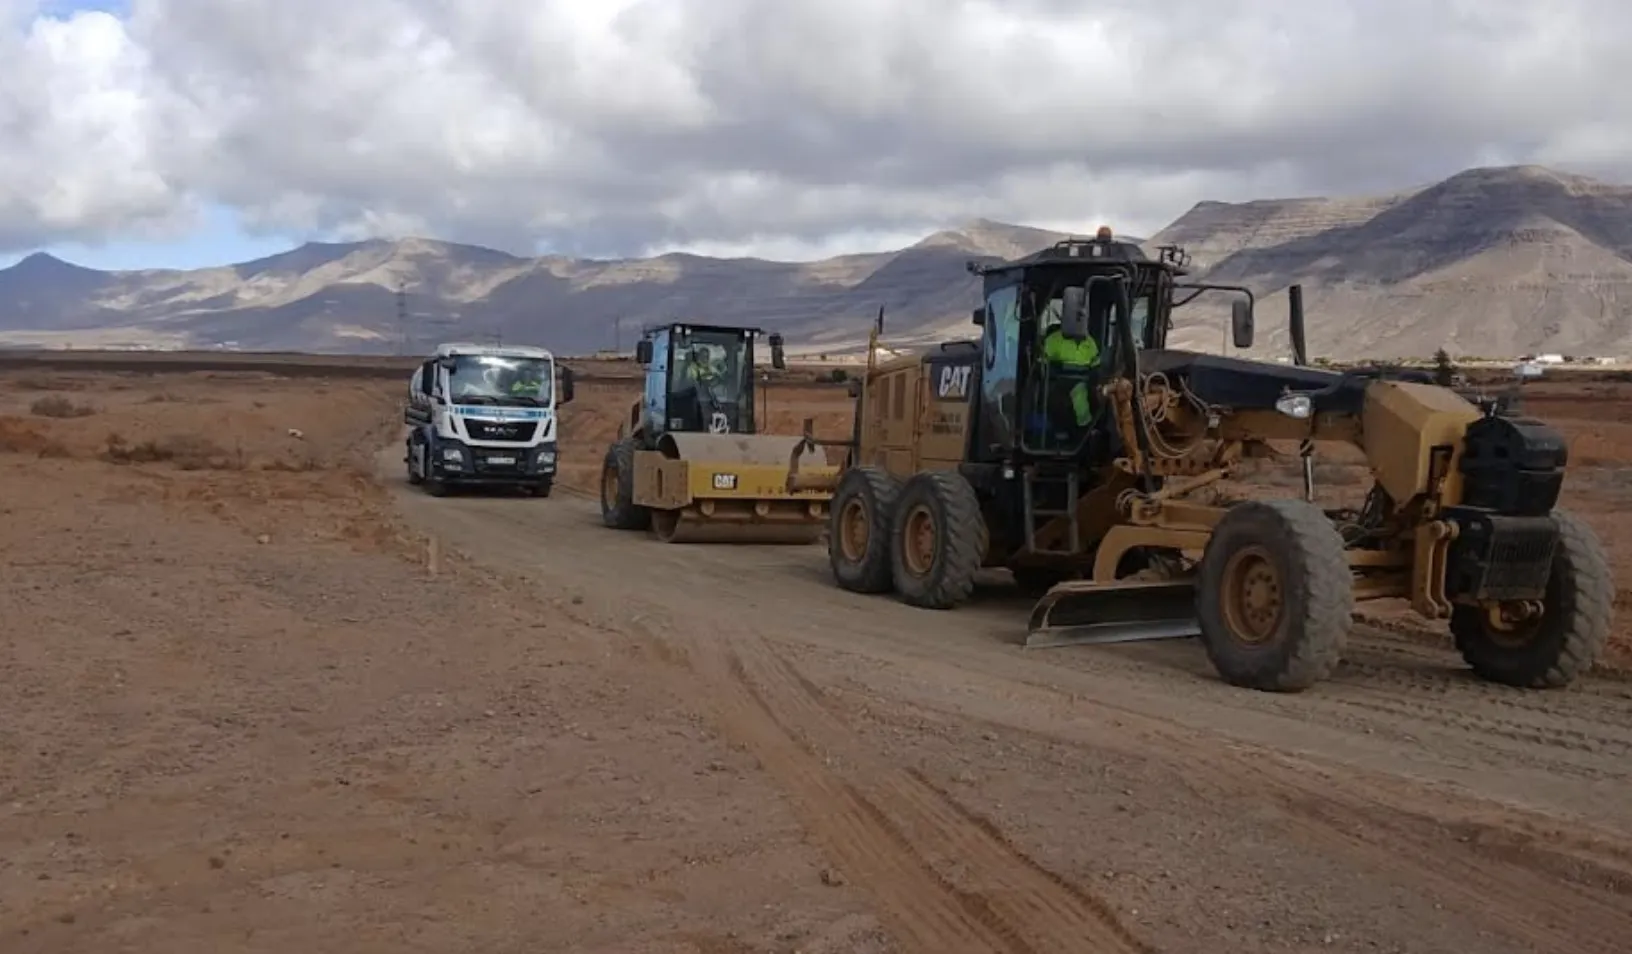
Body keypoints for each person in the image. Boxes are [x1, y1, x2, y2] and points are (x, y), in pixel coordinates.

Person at [1040, 300, 1101, 427]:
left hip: (1082, 383)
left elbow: (1096, 368)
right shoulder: (1053, 340)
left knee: (1082, 394)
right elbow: (1041, 365)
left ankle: (1084, 431)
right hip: (1056, 383)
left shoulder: (1090, 343)